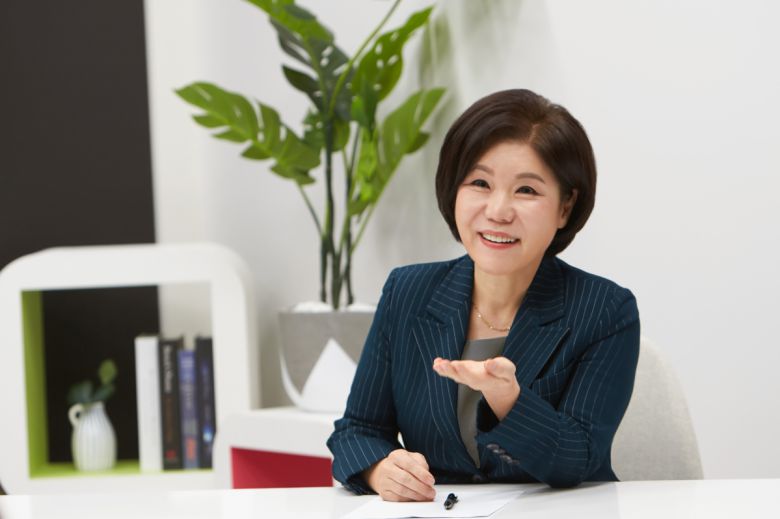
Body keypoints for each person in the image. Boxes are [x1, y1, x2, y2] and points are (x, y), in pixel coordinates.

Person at [326, 89, 640, 501]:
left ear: (565, 207)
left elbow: (577, 459)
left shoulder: (605, 310)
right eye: (480, 183)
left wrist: (508, 399)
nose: (498, 211)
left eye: (526, 191)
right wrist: (379, 469)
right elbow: (358, 430)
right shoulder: (408, 292)